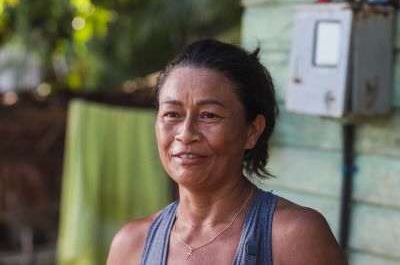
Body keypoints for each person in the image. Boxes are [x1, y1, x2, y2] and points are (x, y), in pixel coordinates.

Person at [106, 39, 347, 265]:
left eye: (209, 115)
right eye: (172, 114)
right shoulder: (131, 245)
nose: (186, 133)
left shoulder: (295, 237)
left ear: (252, 131)